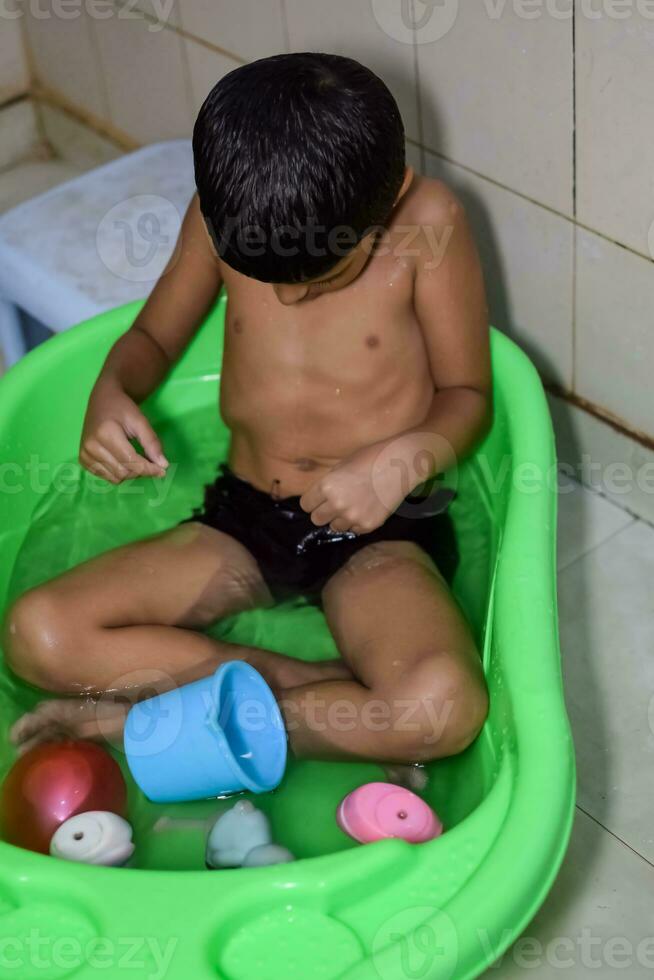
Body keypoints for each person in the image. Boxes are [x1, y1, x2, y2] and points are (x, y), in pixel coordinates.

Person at [5, 53, 490, 767]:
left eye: (325, 275)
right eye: (266, 277)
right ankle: (310, 693)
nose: (290, 298)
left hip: (378, 529)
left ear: (394, 197)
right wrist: (110, 392)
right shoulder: (223, 214)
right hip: (244, 517)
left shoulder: (430, 226)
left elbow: (469, 397)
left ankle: (157, 722)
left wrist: (399, 460)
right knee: (35, 633)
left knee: (443, 708)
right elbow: (150, 336)